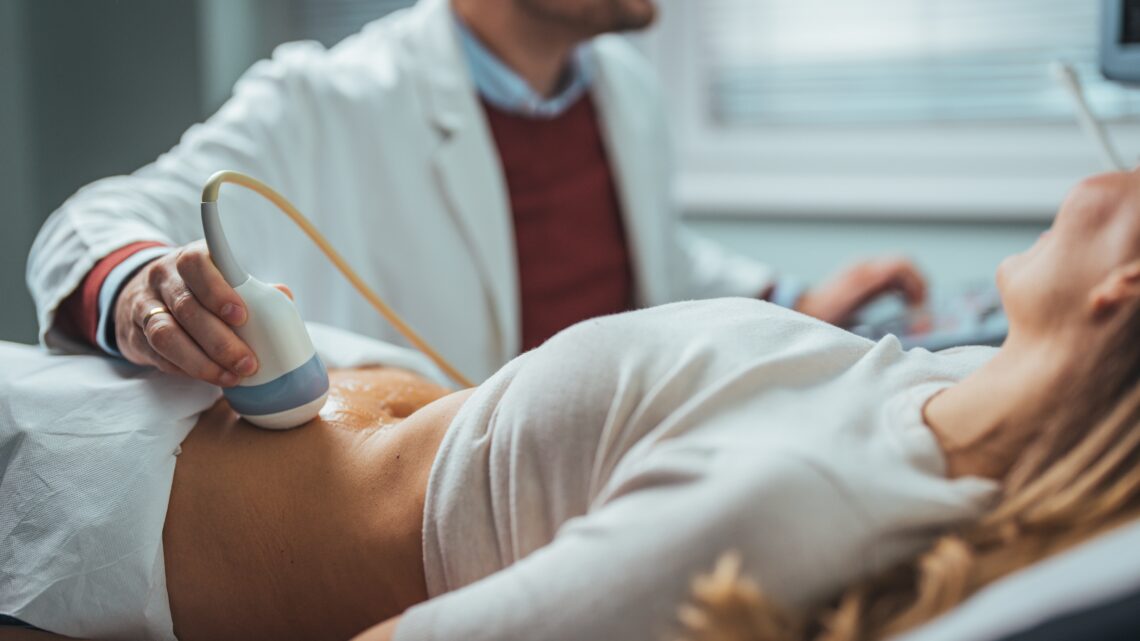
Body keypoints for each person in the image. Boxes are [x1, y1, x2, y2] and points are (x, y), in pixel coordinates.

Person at [3, 169, 1139, 641]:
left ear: (1122, 289)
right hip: (162, 406)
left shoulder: (803, 498)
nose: (1108, 175)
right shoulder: (946, 392)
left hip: (116, 511)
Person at [26, 0, 926, 388]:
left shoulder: (622, 86)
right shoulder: (326, 98)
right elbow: (92, 224)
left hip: (622, 478)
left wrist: (792, 301)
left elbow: (655, 261)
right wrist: (139, 288)